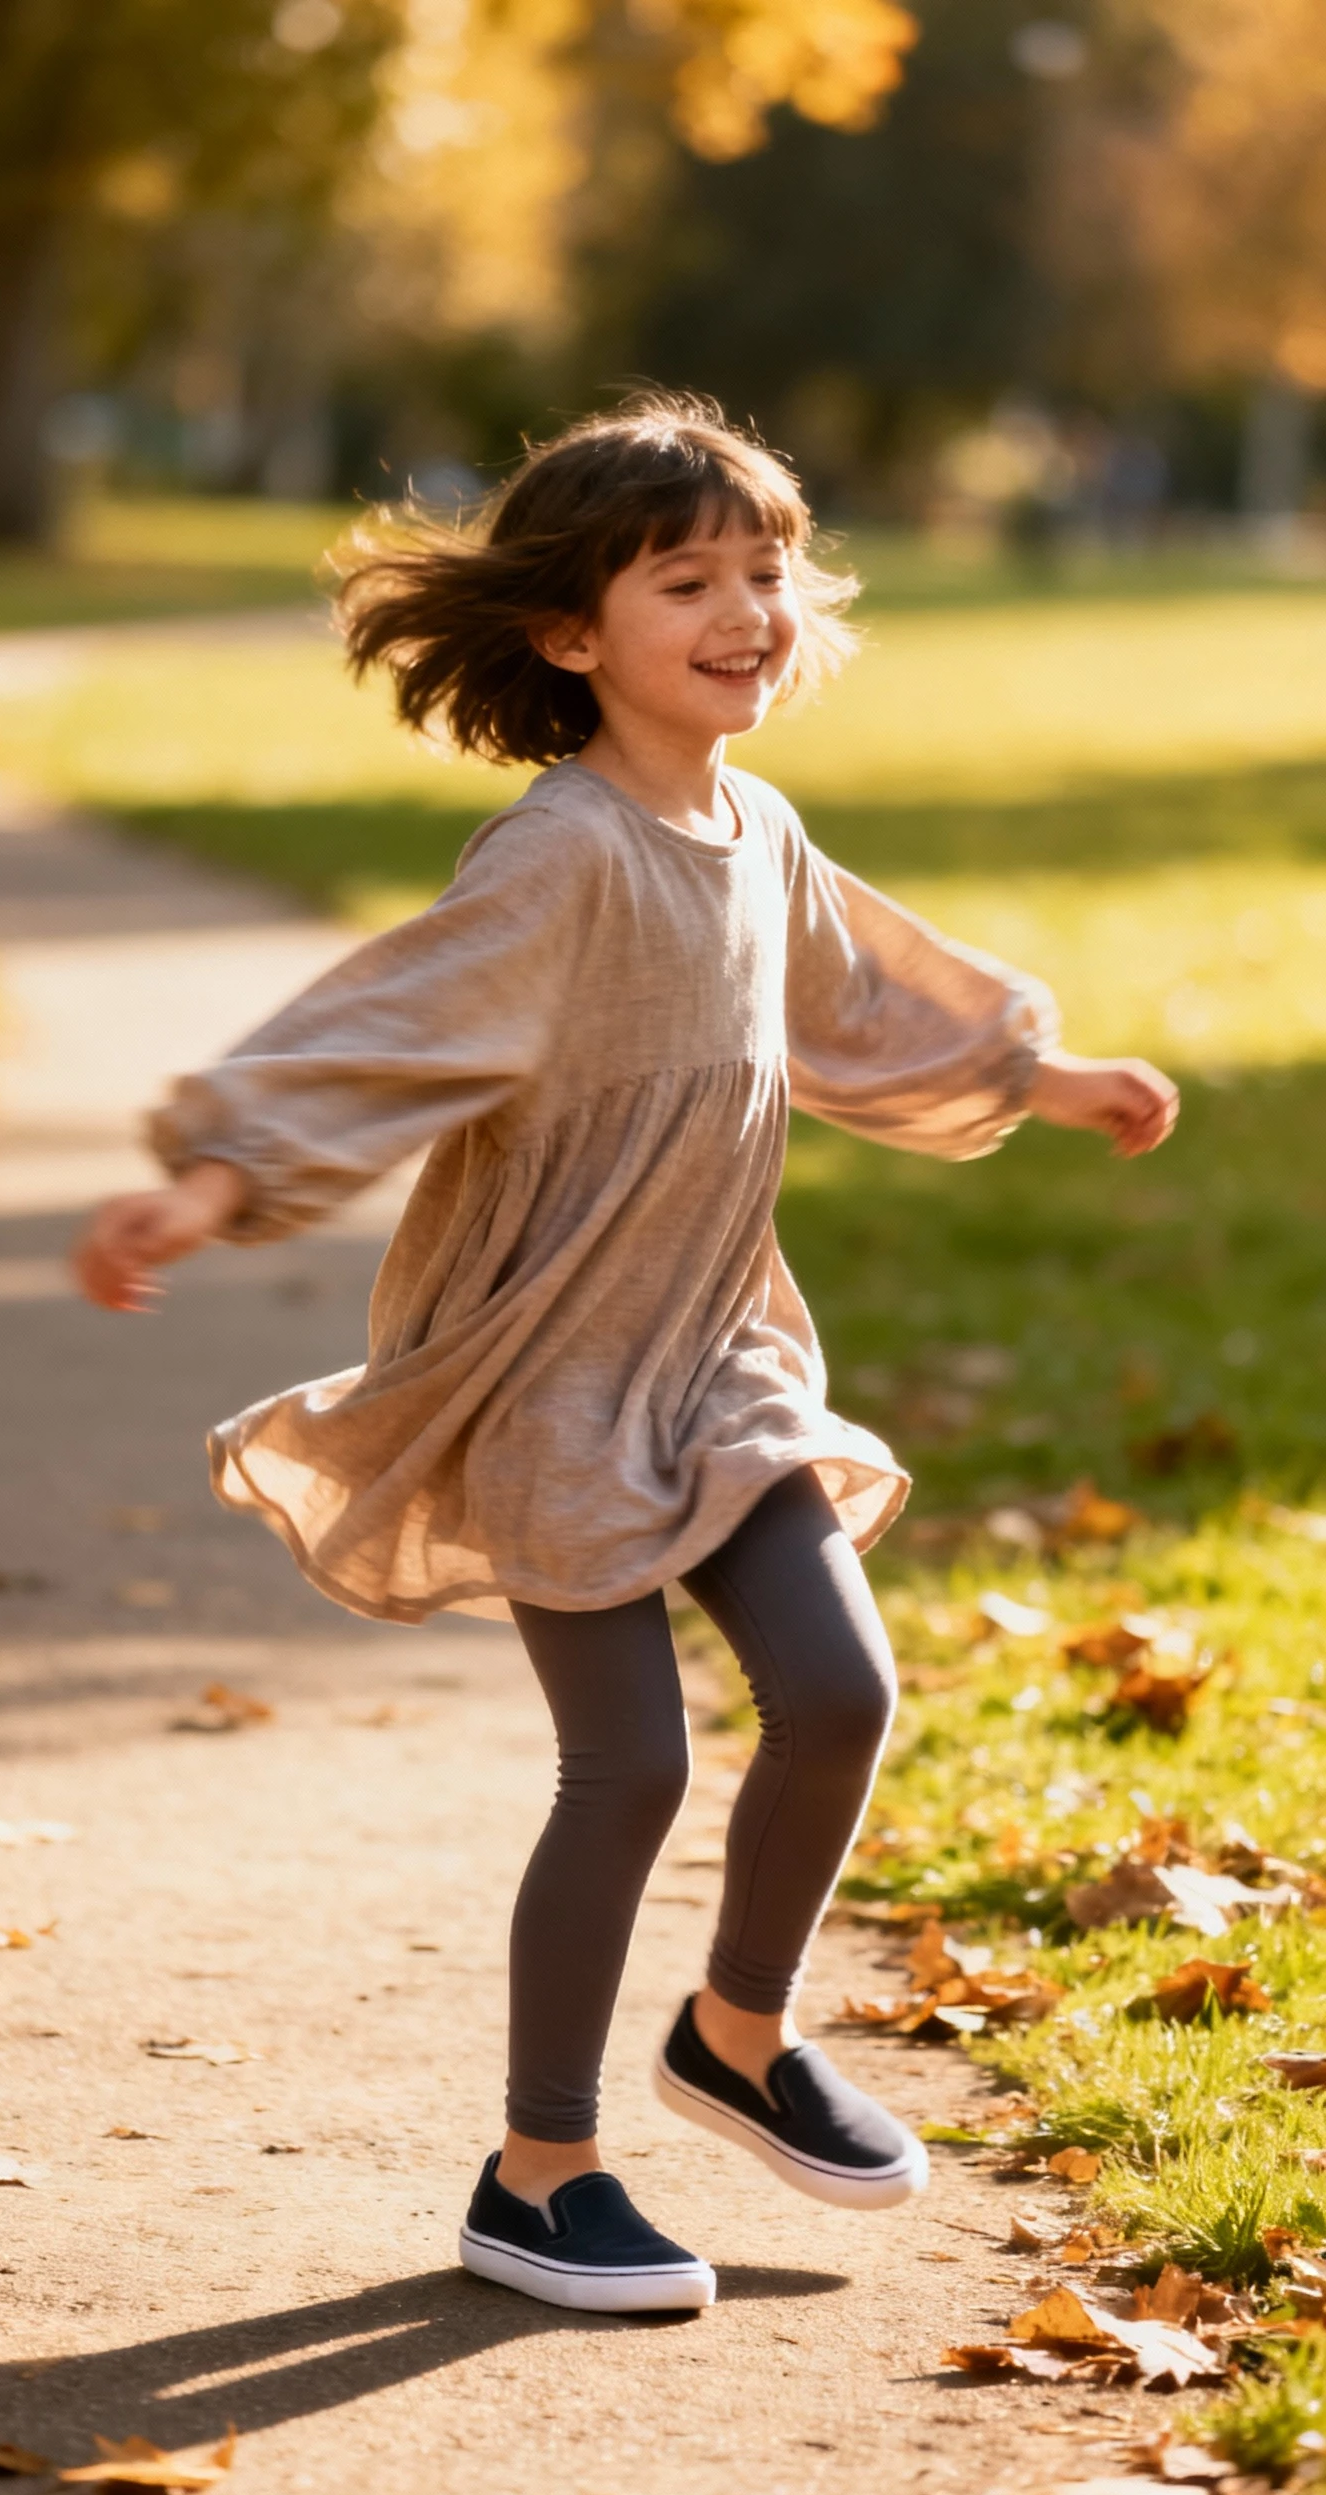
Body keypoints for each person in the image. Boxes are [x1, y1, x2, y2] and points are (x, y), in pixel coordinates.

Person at [74, 395, 1177, 2317]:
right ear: (575, 635)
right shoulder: (564, 853)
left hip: (718, 1344)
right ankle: (541, 2170)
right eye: (689, 580)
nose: (747, 610)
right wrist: (218, 1173)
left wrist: (1038, 1074)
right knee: (632, 1765)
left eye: (765, 572)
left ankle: (737, 2037)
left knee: (838, 1696)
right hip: (546, 1364)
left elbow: (853, 993)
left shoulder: (758, 829)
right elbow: (394, 1022)